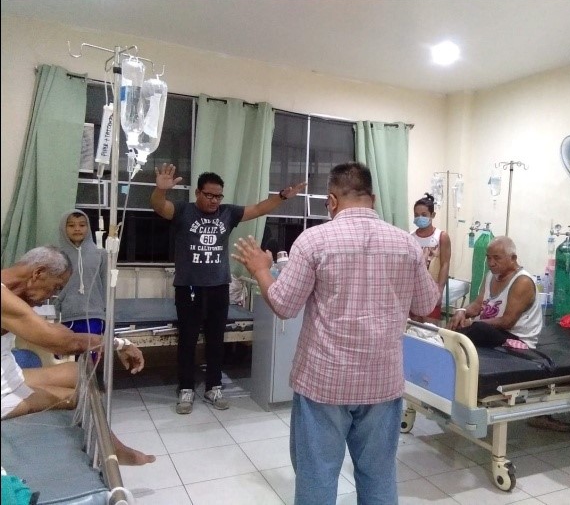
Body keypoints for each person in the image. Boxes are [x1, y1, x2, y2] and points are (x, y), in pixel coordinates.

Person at [232, 162, 440, 505]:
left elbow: (284, 305)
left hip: (324, 382)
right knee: (378, 475)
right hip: (382, 382)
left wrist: (261, 270)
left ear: (331, 201)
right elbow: (426, 304)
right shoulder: (406, 244)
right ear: (372, 198)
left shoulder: (314, 241)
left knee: (317, 476)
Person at [151, 163, 306, 414]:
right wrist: (160, 190)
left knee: (216, 341)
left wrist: (282, 197)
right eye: (209, 195)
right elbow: (160, 207)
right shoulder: (184, 211)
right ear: (198, 193)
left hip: (219, 287)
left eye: (218, 196)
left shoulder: (227, 213)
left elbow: (258, 209)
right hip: (188, 287)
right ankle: (186, 388)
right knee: (187, 340)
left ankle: (214, 386)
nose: (214, 200)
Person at [1, 246, 155, 465]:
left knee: (76, 371)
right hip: (3, 393)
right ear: (38, 273)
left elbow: (56, 332)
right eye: (55, 288)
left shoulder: (8, 291)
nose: (51, 297)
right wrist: (120, 344)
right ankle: (115, 450)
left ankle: (114, 447)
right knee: (79, 397)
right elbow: (65, 343)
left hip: (8, 372)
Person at [446, 236, 570, 432]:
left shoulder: (522, 282)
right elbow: (478, 304)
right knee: (457, 325)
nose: (491, 263)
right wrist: (462, 312)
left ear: (513, 258)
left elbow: (507, 321)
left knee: (475, 329)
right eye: (488, 258)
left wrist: (472, 324)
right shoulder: (491, 276)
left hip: (516, 340)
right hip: (494, 333)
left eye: (496, 258)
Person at [55, 209, 107, 359]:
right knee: (63, 361)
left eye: (82, 225)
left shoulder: (100, 253)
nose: (77, 229)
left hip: (94, 315)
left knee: (89, 361)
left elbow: (105, 284)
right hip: (65, 316)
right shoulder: (57, 255)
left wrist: (107, 313)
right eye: (71, 225)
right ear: (64, 228)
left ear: (88, 227)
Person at [410, 193, 451, 324]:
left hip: (432, 289)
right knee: (413, 328)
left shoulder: (441, 237)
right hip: (414, 290)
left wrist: (440, 289)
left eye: (424, 215)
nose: (419, 218)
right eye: (416, 215)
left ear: (432, 215)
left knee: (430, 329)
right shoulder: (410, 237)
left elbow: (445, 264)